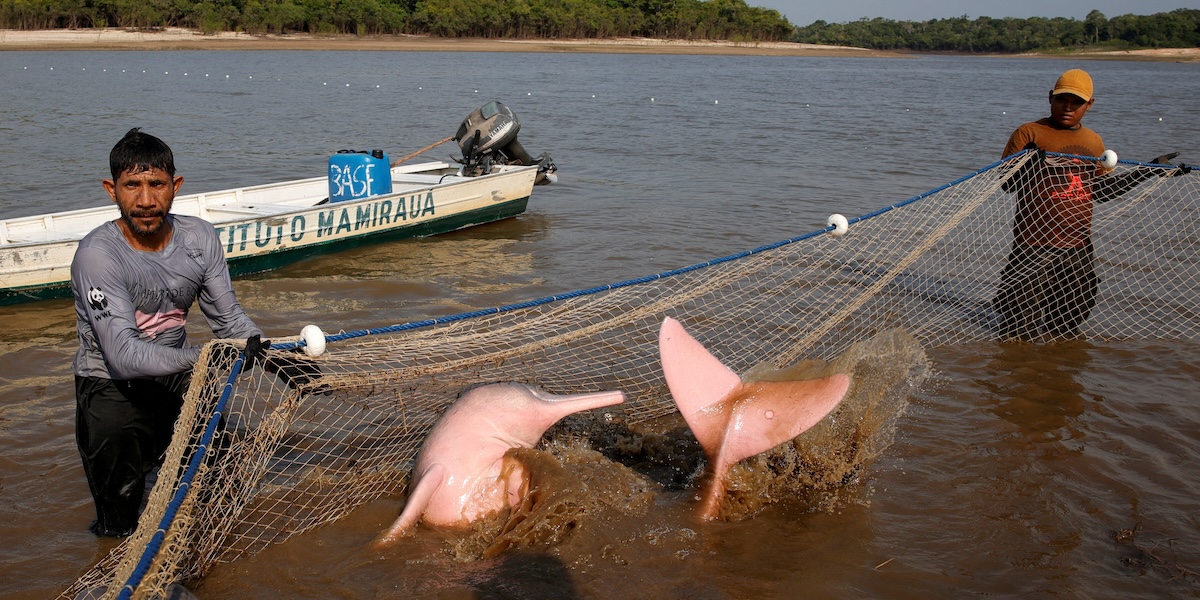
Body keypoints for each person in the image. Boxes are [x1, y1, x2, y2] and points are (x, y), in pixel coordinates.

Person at [70, 128, 271, 537]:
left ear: (175, 186)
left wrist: (272, 356)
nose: (146, 201)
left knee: (216, 486)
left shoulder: (199, 237)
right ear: (112, 189)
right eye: (132, 186)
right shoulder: (97, 255)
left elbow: (229, 318)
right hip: (111, 388)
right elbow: (123, 354)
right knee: (118, 524)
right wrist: (206, 357)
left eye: (157, 185)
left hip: (180, 380)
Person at [993, 69, 1189, 340]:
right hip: (1033, 243)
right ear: (1051, 98)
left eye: (1076, 102)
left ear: (1089, 104)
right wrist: (1028, 165)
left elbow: (1102, 191)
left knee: (1068, 324)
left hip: (1078, 246)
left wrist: (1149, 170)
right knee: (1019, 325)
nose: (1068, 107)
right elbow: (1007, 184)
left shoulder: (1093, 141)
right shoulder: (1029, 133)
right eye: (1062, 100)